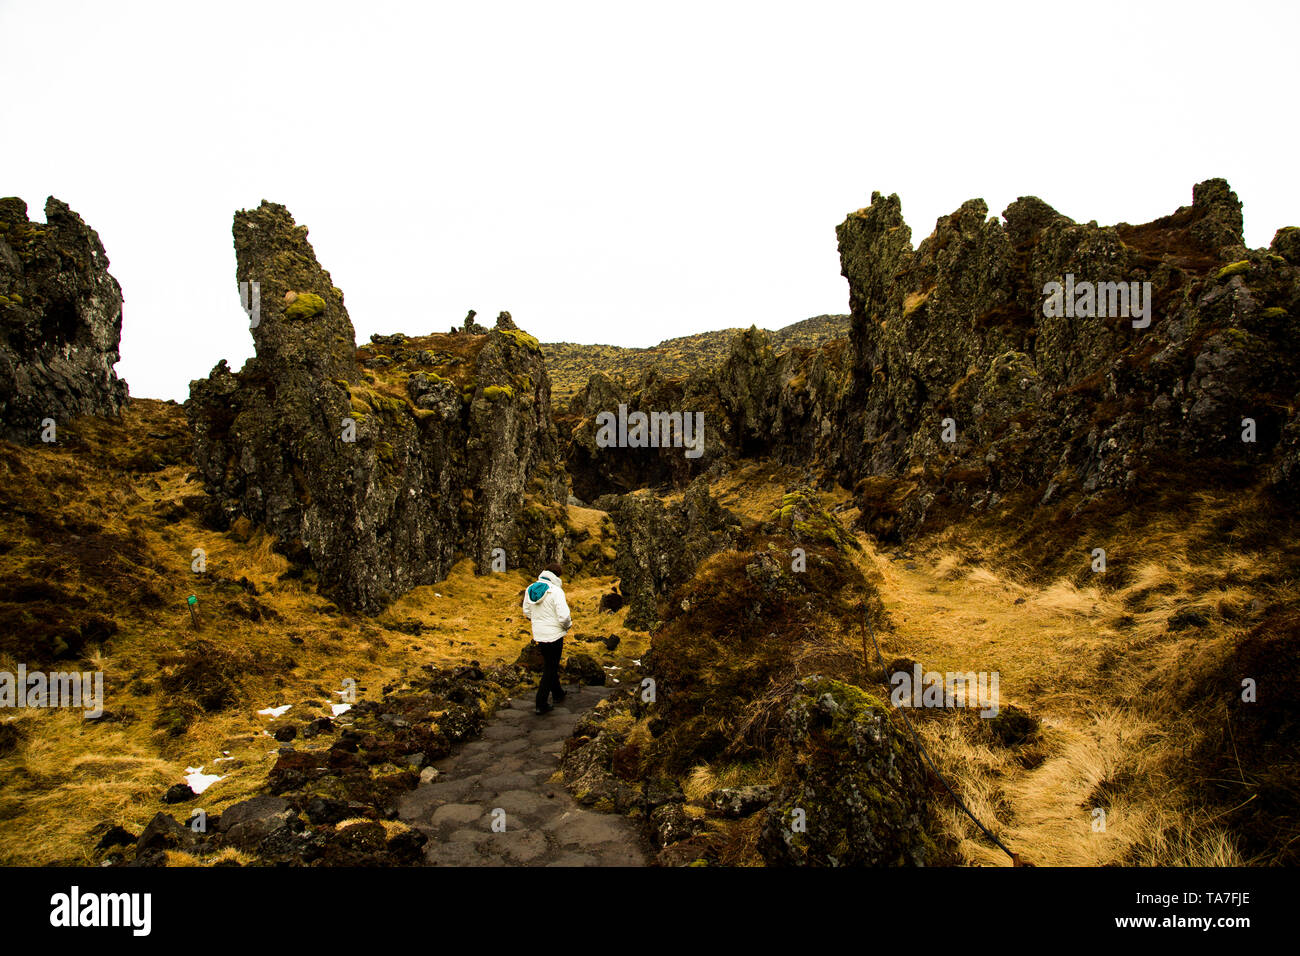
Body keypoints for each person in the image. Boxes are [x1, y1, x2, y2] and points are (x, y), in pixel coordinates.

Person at [521, 562, 572, 714]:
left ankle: (557, 693)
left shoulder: (530, 588)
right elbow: (564, 616)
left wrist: (537, 622)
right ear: (557, 576)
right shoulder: (556, 591)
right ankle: (541, 702)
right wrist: (566, 626)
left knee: (550, 664)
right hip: (555, 634)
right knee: (551, 667)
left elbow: (526, 611)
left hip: (539, 633)